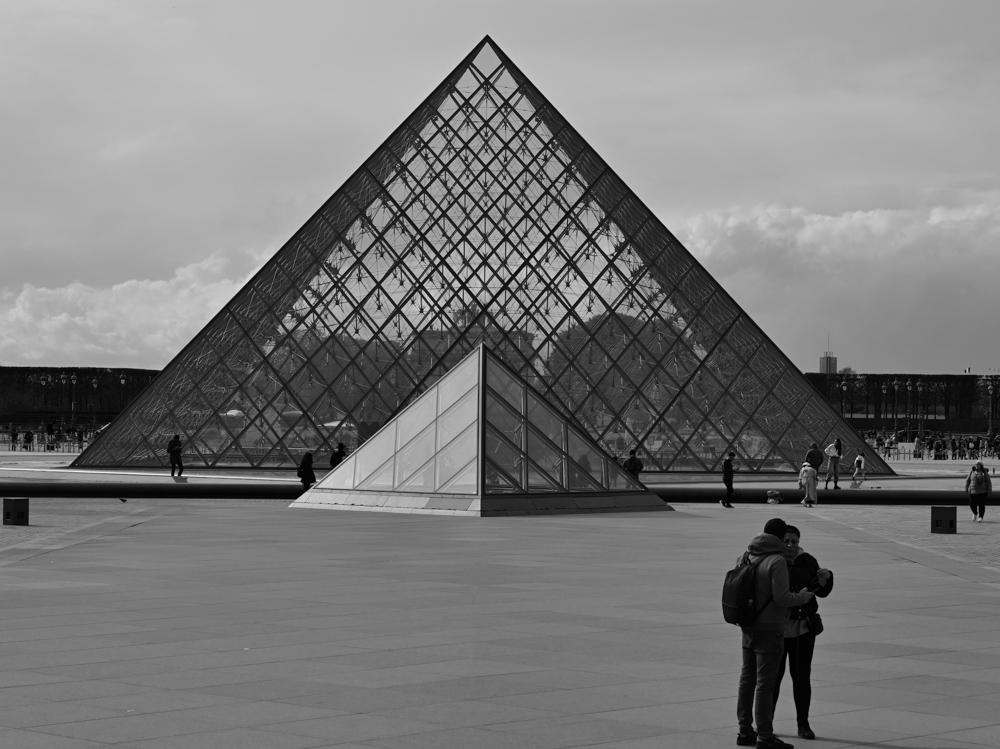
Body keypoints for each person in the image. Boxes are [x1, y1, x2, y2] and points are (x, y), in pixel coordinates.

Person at [736, 518, 814, 749]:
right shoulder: (776, 560)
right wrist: (802, 597)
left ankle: (744, 731)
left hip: (748, 626)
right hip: (770, 629)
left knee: (746, 681)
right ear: (780, 538)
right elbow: (782, 598)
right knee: (765, 684)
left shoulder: (747, 554)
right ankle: (765, 736)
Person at [773, 525, 833, 741]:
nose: (790, 545)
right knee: (773, 678)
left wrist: (827, 579)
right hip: (778, 630)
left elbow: (820, 590)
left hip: (803, 630)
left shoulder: (807, 560)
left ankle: (803, 723)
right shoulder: (774, 561)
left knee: (801, 678)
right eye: (786, 541)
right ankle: (766, 723)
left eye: (794, 541)